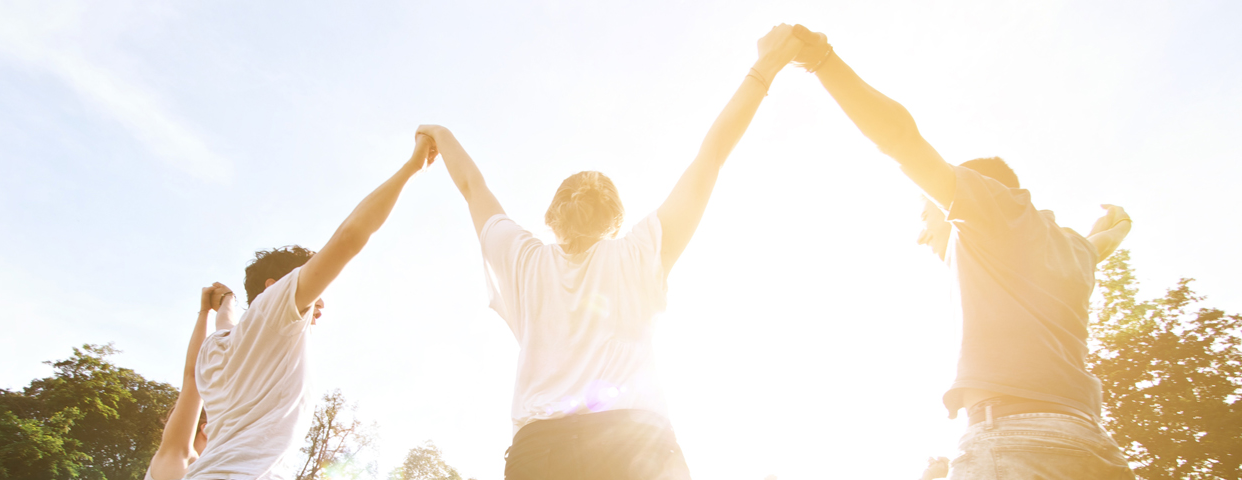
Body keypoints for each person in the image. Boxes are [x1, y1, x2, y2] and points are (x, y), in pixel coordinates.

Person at [416, 24, 803, 480]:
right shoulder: (640, 251)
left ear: (552, 215)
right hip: (633, 443)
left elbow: (471, 186)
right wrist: (765, 66)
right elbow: (711, 156)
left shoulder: (522, 260)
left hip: (540, 453)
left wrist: (439, 131)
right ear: (615, 219)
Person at [787, 25, 1136, 479]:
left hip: (1016, 442)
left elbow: (901, 140)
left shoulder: (991, 209)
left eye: (927, 213)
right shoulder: (1070, 251)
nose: (923, 233)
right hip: (1093, 445)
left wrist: (822, 61)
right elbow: (1100, 244)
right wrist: (1119, 225)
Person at [180, 134, 436, 480]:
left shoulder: (216, 347)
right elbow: (348, 238)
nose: (320, 297)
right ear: (274, 287)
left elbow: (225, 320)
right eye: (312, 283)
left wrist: (223, 301)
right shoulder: (275, 310)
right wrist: (411, 168)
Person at [146, 282, 237, 480]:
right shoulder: (179, 457)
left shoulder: (203, 469)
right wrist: (205, 312)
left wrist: (206, 311)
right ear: (205, 429)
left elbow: (193, 377)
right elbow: (194, 377)